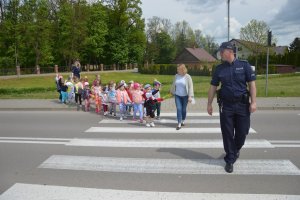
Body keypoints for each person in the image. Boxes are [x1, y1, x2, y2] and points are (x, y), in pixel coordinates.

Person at [207, 41, 257, 173]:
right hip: (226, 105)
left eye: (222, 51)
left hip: (242, 104)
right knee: (228, 133)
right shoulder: (219, 69)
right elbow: (213, 87)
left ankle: (235, 150)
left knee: (243, 131)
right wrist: (209, 104)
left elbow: (252, 85)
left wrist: (253, 102)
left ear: (229, 51)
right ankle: (230, 159)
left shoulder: (244, 66)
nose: (220, 54)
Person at [170, 64, 194, 130]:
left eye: (178, 69)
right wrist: (171, 91)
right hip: (177, 95)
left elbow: (190, 87)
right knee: (179, 109)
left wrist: (190, 96)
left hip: (185, 96)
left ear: (182, 69)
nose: (177, 70)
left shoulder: (188, 77)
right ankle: (179, 123)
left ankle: (183, 120)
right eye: (177, 69)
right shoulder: (176, 76)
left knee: (183, 109)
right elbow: (173, 84)